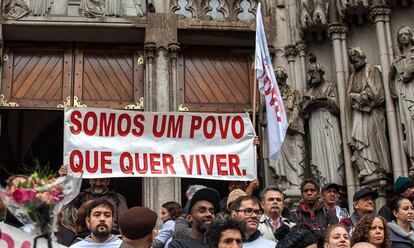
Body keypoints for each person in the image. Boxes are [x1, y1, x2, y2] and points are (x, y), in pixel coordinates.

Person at [347, 46, 391, 180]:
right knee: (361, 140)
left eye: (355, 55)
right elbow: (348, 98)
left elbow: (377, 93)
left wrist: (362, 97)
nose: (353, 59)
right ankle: (367, 169)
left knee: (373, 137)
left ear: (362, 55)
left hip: (372, 112)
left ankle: (379, 167)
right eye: (351, 57)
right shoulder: (352, 77)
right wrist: (355, 97)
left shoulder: (372, 69)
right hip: (358, 114)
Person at [301, 54, 344, 185]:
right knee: (318, 157)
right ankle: (322, 183)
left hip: (329, 122)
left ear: (321, 72)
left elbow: (337, 106)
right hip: (315, 124)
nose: (311, 76)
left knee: (333, 152)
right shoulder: (309, 93)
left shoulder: (330, 87)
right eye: (309, 73)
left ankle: (337, 182)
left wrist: (323, 100)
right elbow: (304, 112)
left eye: (313, 72)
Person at [60, 164, 128, 234]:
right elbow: (65, 203)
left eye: (102, 180)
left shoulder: (117, 198)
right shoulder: (81, 196)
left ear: (108, 182)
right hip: (85, 237)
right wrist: (63, 180)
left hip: (111, 236)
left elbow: (125, 223)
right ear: (89, 181)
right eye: (94, 180)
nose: (98, 184)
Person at [270, 66, 306, 193]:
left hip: (292, 131)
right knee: (280, 160)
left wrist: (289, 122)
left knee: (296, 158)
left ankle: (296, 185)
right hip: (278, 135)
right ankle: (283, 184)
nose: (279, 81)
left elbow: (297, 109)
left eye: (281, 78)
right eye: (277, 79)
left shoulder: (293, 93)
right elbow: (265, 120)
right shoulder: (271, 96)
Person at [389, 26, 414, 171]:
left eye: (406, 34)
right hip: (405, 96)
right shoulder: (397, 60)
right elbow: (391, 80)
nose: (404, 36)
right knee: (409, 126)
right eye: (401, 34)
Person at [291, 179, 338, 247]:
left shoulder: (329, 214)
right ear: (302, 194)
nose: (309, 193)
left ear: (318, 193)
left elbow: (334, 236)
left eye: (312, 190)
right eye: (306, 191)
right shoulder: (294, 217)